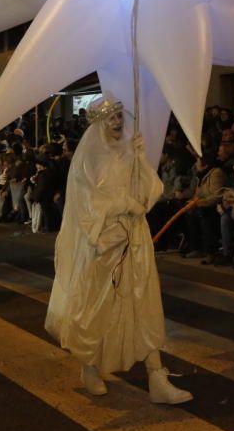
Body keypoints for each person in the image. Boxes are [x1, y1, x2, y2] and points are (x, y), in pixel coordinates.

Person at [45, 97, 192, 404]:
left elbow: (151, 191)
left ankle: (156, 376)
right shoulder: (87, 158)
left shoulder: (128, 151)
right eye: (109, 116)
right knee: (97, 309)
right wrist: (123, 204)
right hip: (102, 247)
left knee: (144, 304)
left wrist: (140, 161)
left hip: (134, 240)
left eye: (118, 115)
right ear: (98, 122)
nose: (116, 121)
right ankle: (89, 365)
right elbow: (86, 204)